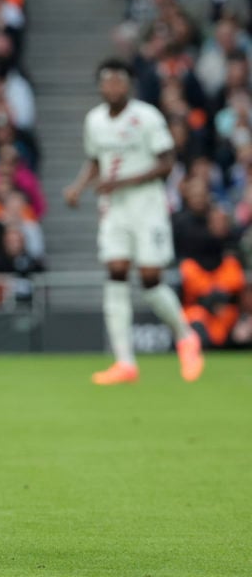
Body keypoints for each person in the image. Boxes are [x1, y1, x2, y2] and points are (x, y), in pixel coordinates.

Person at [64, 58, 204, 385]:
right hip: (114, 208)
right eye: (106, 81)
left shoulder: (147, 117)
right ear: (100, 85)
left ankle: (185, 336)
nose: (112, 86)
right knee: (115, 274)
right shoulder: (94, 120)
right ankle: (125, 361)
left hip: (147, 206)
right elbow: (96, 159)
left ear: (129, 84)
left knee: (151, 279)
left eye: (118, 80)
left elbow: (167, 163)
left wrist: (123, 182)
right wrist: (78, 188)